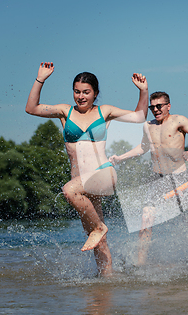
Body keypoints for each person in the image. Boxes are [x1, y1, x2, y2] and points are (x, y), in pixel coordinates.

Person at [25, 62, 148, 276]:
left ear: (95, 93)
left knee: (69, 191)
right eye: (77, 92)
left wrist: (143, 91)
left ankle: (100, 228)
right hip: (81, 182)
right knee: (98, 241)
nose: (81, 96)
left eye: (86, 92)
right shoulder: (65, 112)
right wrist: (41, 79)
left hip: (102, 174)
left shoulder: (105, 111)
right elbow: (31, 108)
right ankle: (105, 281)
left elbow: (139, 116)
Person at [109, 91, 188, 265]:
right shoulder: (147, 125)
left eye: (159, 106)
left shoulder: (179, 120)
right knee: (145, 221)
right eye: (152, 107)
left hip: (179, 178)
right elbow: (143, 147)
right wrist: (120, 158)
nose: (155, 110)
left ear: (168, 105)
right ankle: (140, 265)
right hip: (157, 179)